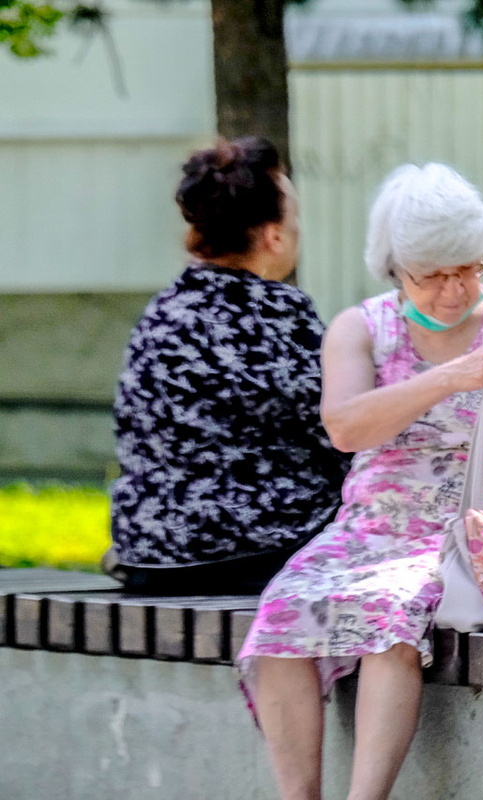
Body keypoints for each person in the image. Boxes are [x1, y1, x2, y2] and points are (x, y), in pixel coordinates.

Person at [236, 162, 483, 800]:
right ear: (395, 267)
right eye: (432, 276)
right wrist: (451, 377)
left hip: (481, 535)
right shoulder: (362, 327)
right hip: (371, 530)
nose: (453, 291)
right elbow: (345, 426)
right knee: (281, 613)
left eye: (468, 269)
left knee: (392, 617)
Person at [107, 136, 350, 595]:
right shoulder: (276, 311)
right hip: (251, 551)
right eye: (295, 218)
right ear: (274, 235)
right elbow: (342, 431)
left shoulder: (162, 312)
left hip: (150, 551)